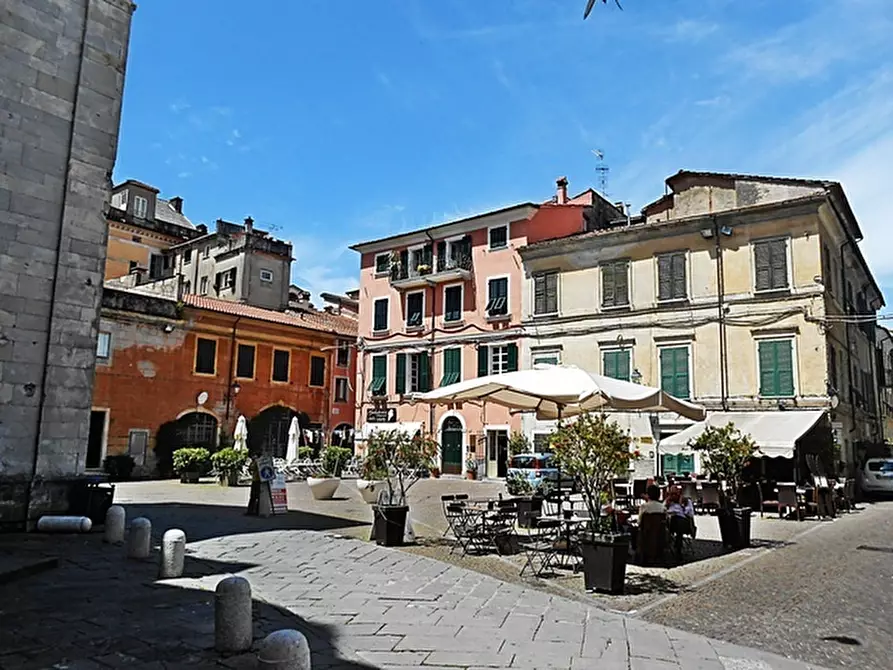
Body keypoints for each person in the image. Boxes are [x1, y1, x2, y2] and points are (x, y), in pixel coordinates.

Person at [665, 485, 695, 557]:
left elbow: (690, 514)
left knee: (679, 522)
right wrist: (667, 504)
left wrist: (682, 505)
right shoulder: (669, 501)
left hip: (684, 523)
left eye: (675, 494)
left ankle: (678, 547)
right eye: (671, 494)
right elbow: (662, 510)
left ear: (679, 493)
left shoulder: (686, 501)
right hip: (670, 522)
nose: (673, 496)